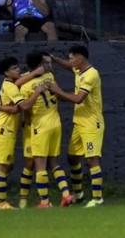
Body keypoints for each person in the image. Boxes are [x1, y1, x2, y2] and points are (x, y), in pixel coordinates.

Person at [48, 45, 105, 208]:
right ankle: (79, 195)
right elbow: (67, 65)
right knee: (72, 157)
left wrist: (57, 91)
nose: (70, 61)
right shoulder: (79, 70)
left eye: (72, 58)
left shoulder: (91, 75)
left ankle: (97, 198)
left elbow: (78, 98)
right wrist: (54, 59)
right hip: (79, 122)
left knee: (91, 160)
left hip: (92, 123)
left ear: (80, 59)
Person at [17, 51, 74, 208]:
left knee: (39, 166)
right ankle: (66, 194)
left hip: (40, 126)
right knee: (53, 163)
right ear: (40, 65)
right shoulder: (50, 78)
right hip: (55, 123)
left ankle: (44, 202)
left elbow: (25, 106)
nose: (50, 66)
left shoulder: (26, 86)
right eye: (47, 63)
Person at [0, 56, 46, 210]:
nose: (18, 70)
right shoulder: (11, 87)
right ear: (6, 73)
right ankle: (1, 202)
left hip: (7, 129)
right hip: (3, 129)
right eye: (14, 68)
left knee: (8, 166)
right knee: (3, 166)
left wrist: (35, 72)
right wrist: (37, 92)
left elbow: (15, 108)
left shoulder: (13, 81)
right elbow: (24, 106)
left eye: (17, 67)